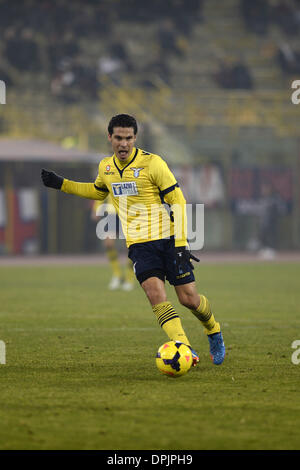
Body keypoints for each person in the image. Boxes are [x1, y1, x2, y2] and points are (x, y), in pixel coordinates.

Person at [41, 114, 225, 366]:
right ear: (110, 138)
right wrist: (62, 184)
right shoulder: (105, 167)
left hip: (169, 239)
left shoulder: (153, 163)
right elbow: (97, 190)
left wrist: (181, 244)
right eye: (119, 138)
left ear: (135, 138)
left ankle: (213, 330)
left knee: (188, 299)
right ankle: (184, 348)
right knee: (155, 294)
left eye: (128, 138)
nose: (124, 143)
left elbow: (178, 201)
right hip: (139, 244)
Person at [91, 195, 135, 291]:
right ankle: (117, 275)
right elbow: (102, 191)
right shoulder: (110, 179)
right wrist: (96, 208)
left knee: (131, 247)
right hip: (112, 213)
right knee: (108, 244)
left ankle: (129, 278)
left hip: (127, 213)